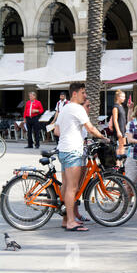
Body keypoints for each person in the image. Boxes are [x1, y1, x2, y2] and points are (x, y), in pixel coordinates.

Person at [54, 83, 109, 232]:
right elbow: (90, 128)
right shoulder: (77, 108)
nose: (85, 95)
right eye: (83, 93)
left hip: (63, 151)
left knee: (66, 187)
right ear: (74, 94)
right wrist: (104, 138)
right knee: (72, 189)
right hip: (73, 151)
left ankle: (66, 220)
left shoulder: (64, 108)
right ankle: (71, 221)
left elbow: (56, 129)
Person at [111, 90, 127, 158]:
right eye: (122, 97)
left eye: (124, 97)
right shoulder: (115, 107)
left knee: (124, 146)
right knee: (120, 146)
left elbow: (123, 119)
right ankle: (118, 164)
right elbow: (115, 120)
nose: (124, 98)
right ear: (118, 97)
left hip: (123, 128)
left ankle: (122, 164)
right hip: (119, 129)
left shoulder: (121, 106)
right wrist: (118, 131)